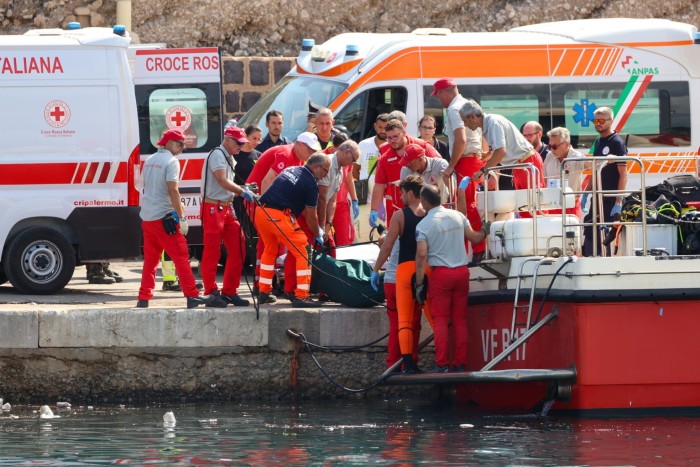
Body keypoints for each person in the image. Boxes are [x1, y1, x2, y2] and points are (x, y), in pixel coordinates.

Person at [136, 129, 226, 309]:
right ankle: (192, 295)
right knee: (181, 257)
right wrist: (182, 217)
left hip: (147, 218)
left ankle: (144, 298)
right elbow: (173, 190)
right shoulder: (171, 161)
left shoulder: (150, 160)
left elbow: (142, 186)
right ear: (168, 142)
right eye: (180, 144)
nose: (182, 148)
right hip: (164, 218)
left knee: (151, 260)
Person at [414, 184, 490, 372]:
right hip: (462, 272)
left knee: (440, 320)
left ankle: (442, 364)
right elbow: (475, 238)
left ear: (424, 202)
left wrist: (419, 283)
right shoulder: (458, 215)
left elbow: (422, 255)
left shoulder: (423, 225)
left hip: (441, 275)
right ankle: (460, 362)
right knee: (460, 319)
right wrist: (486, 229)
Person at [371, 175, 431, 374]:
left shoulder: (400, 215)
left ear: (411, 193)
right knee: (415, 324)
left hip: (396, 278)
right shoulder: (430, 215)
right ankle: (412, 362)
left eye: (402, 192)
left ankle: (394, 364)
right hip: (420, 277)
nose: (400, 196)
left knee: (398, 324)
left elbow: (387, 245)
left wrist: (375, 270)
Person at [254, 153, 331, 307]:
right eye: (325, 170)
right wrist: (317, 234)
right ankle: (301, 296)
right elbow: (310, 217)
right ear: (316, 168)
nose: (326, 174)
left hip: (261, 212)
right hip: (278, 216)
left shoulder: (291, 169)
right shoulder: (311, 185)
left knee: (270, 250)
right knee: (304, 250)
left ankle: (264, 292)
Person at [433, 78, 489, 264]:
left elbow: (461, 140)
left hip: (466, 161)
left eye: (438, 96)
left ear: (443, 93)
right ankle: (473, 250)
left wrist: (450, 167)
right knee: (465, 205)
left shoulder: (454, 109)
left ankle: (478, 249)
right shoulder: (467, 104)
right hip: (472, 159)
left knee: (467, 205)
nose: (438, 101)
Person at [199, 126, 257, 306]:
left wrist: (244, 189)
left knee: (239, 247)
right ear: (228, 140)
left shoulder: (228, 156)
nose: (241, 146)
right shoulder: (218, 154)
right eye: (239, 142)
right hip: (212, 206)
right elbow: (222, 180)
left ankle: (229, 291)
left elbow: (226, 182)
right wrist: (242, 190)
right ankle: (211, 292)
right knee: (212, 251)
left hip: (225, 206)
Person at [459, 99, 545, 191]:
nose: (465, 125)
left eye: (465, 121)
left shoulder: (493, 123)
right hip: (522, 163)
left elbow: (500, 151)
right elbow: (499, 149)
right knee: (525, 202)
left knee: (533, 202)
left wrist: (483, 170)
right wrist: (487, 155)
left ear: (472, 117)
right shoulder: (488, 124)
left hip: (527, 162)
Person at [369, 119, 439, 229]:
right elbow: (379, 185)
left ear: (404, 133)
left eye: (395, 136)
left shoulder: (422, 147)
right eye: (389, 138)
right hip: (398, 209)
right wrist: (374, 209)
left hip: (426, 207)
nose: (392, 141)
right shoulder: (384, 159)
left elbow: (440, 168)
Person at [583, 106, 628, 256]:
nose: (597, 123)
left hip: (610, 198)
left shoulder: (617, 143)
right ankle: (590, 260)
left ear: (611, 121)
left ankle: (607, 262)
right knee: (589, 231)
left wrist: (618, 201)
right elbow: (595, 170)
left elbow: (623, 174)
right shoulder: (598, 142)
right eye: (595, 120)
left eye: (601, 120)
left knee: (606, 234)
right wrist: (585, 193)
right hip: (597, 198)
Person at [543, 126, 588, 219]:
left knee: (570, 233)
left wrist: (607, 159)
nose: (551, 149)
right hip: (551, 205)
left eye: (554, 146)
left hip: (570, 205)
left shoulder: (577, 157)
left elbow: (593, 164)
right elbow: (543, 180)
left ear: (567, 144)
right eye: (549, 146)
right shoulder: (549, 155)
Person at [325, 136, 360, 246]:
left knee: (344, 240)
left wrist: (354, 200)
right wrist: (325, 224)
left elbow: (349, 179)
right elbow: (321, 197)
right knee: (328, 242)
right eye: (353, 160)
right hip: (323, 207)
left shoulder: (341, 166)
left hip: (339, 204)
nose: (352, 164)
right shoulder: (325, 162)